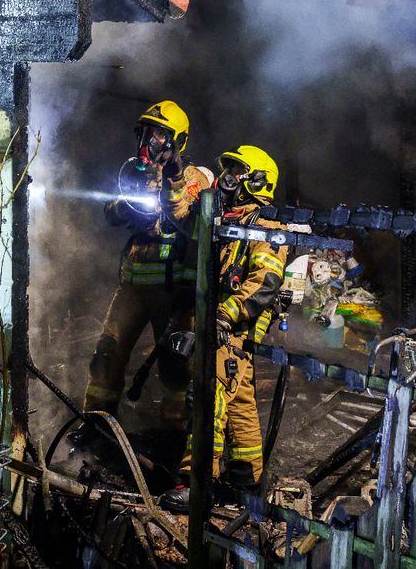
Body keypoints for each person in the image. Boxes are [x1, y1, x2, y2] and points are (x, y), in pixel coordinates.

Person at [160, 145, 288, 512]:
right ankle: (247, 483)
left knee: (207, 394)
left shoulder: (265, 228)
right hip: (222, 324)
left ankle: (197, 483)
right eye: (227, 169)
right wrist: (174, 175)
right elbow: (179, 214)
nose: (227, 178)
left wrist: (222, 318)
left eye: (235, 171)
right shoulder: (224, 222)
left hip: (237, 326)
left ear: (256, 182)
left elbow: (263, 284)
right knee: (240, 402)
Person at [81, 100, 211, 437]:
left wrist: (171, 185)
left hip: (173, 290)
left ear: (176, 140)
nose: (152, 141)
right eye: (149, 133)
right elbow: (109, 211)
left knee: (176, 367)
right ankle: (95, 427)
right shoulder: (133, 171)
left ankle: (175, 437)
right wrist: (128, 208)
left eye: (160, 134)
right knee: (106, 354)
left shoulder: (193, 177)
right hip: (131, 289)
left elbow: (194, 222)